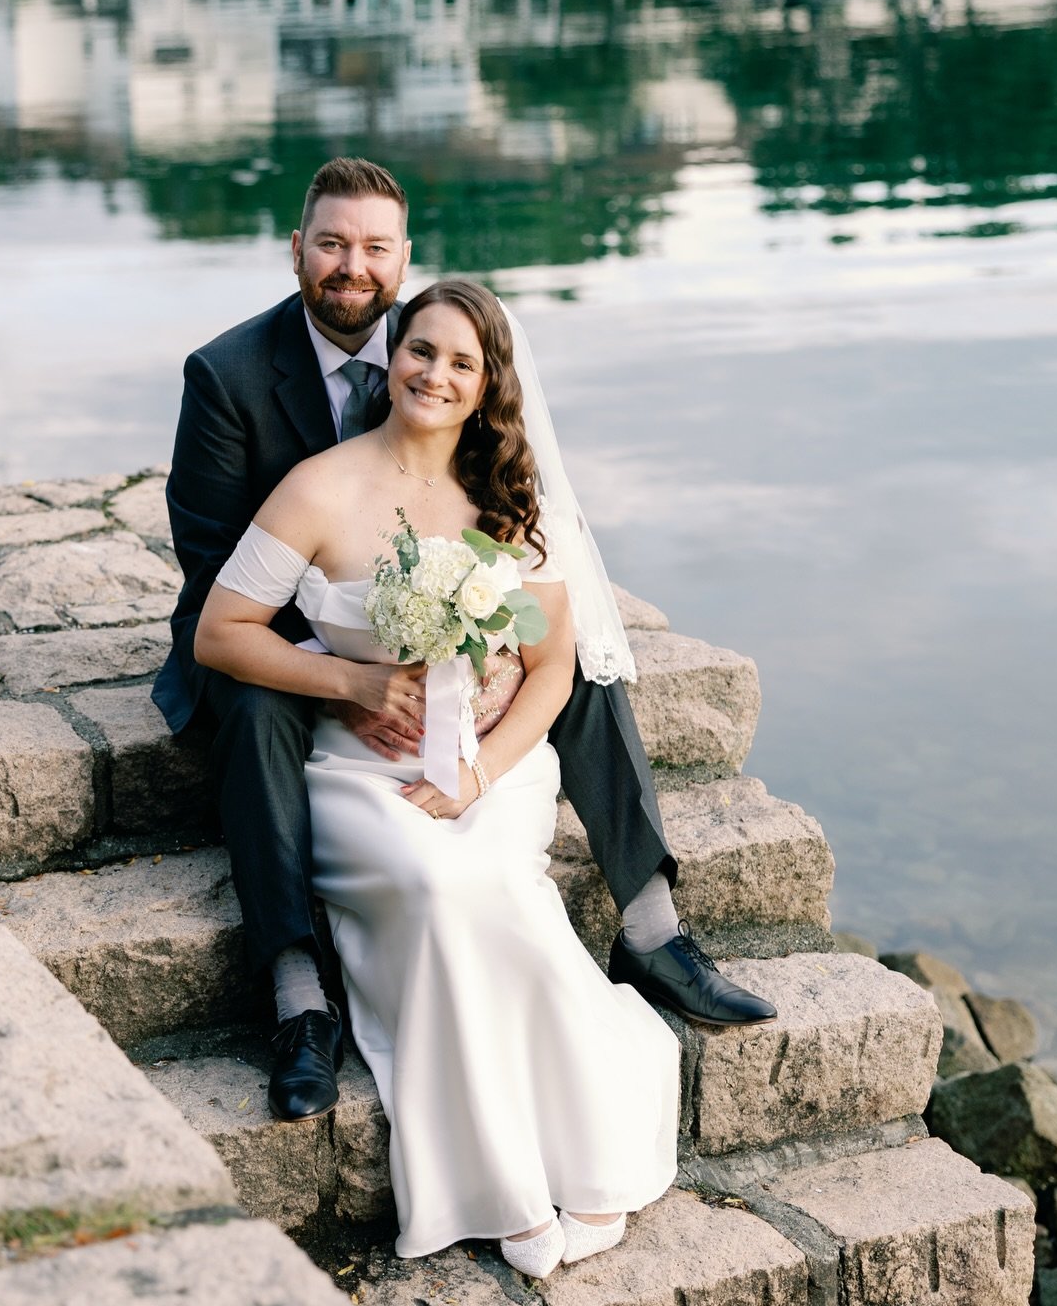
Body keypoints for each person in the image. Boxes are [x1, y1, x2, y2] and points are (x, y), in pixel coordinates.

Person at [153, 158, 774, 1127]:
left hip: (431, 650)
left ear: (403, 262)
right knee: (256, 703)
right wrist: (360, 676)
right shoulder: (226, 378)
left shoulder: (428, 356)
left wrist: (476, 662)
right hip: (292, 642)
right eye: (331, 245)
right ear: (297, 252)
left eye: (374, 250)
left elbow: (496, 555)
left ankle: (650, 926)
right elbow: (216, 603)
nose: (351, 268)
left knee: (575, 648)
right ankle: (297, 994)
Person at [193, 280, 679, 1274]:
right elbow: (219, 634)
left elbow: (550, 667)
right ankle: (496, 1183)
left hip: (491, 773)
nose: (437, 375)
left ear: (489, 382)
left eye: (463, 362)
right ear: (393, 356)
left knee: (488, 878)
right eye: (423, 351)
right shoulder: (319, 487)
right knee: (432, 882)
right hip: (358, 776)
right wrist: (351, 678)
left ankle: (588, 1146)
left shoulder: (505, 492)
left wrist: (482, 773)